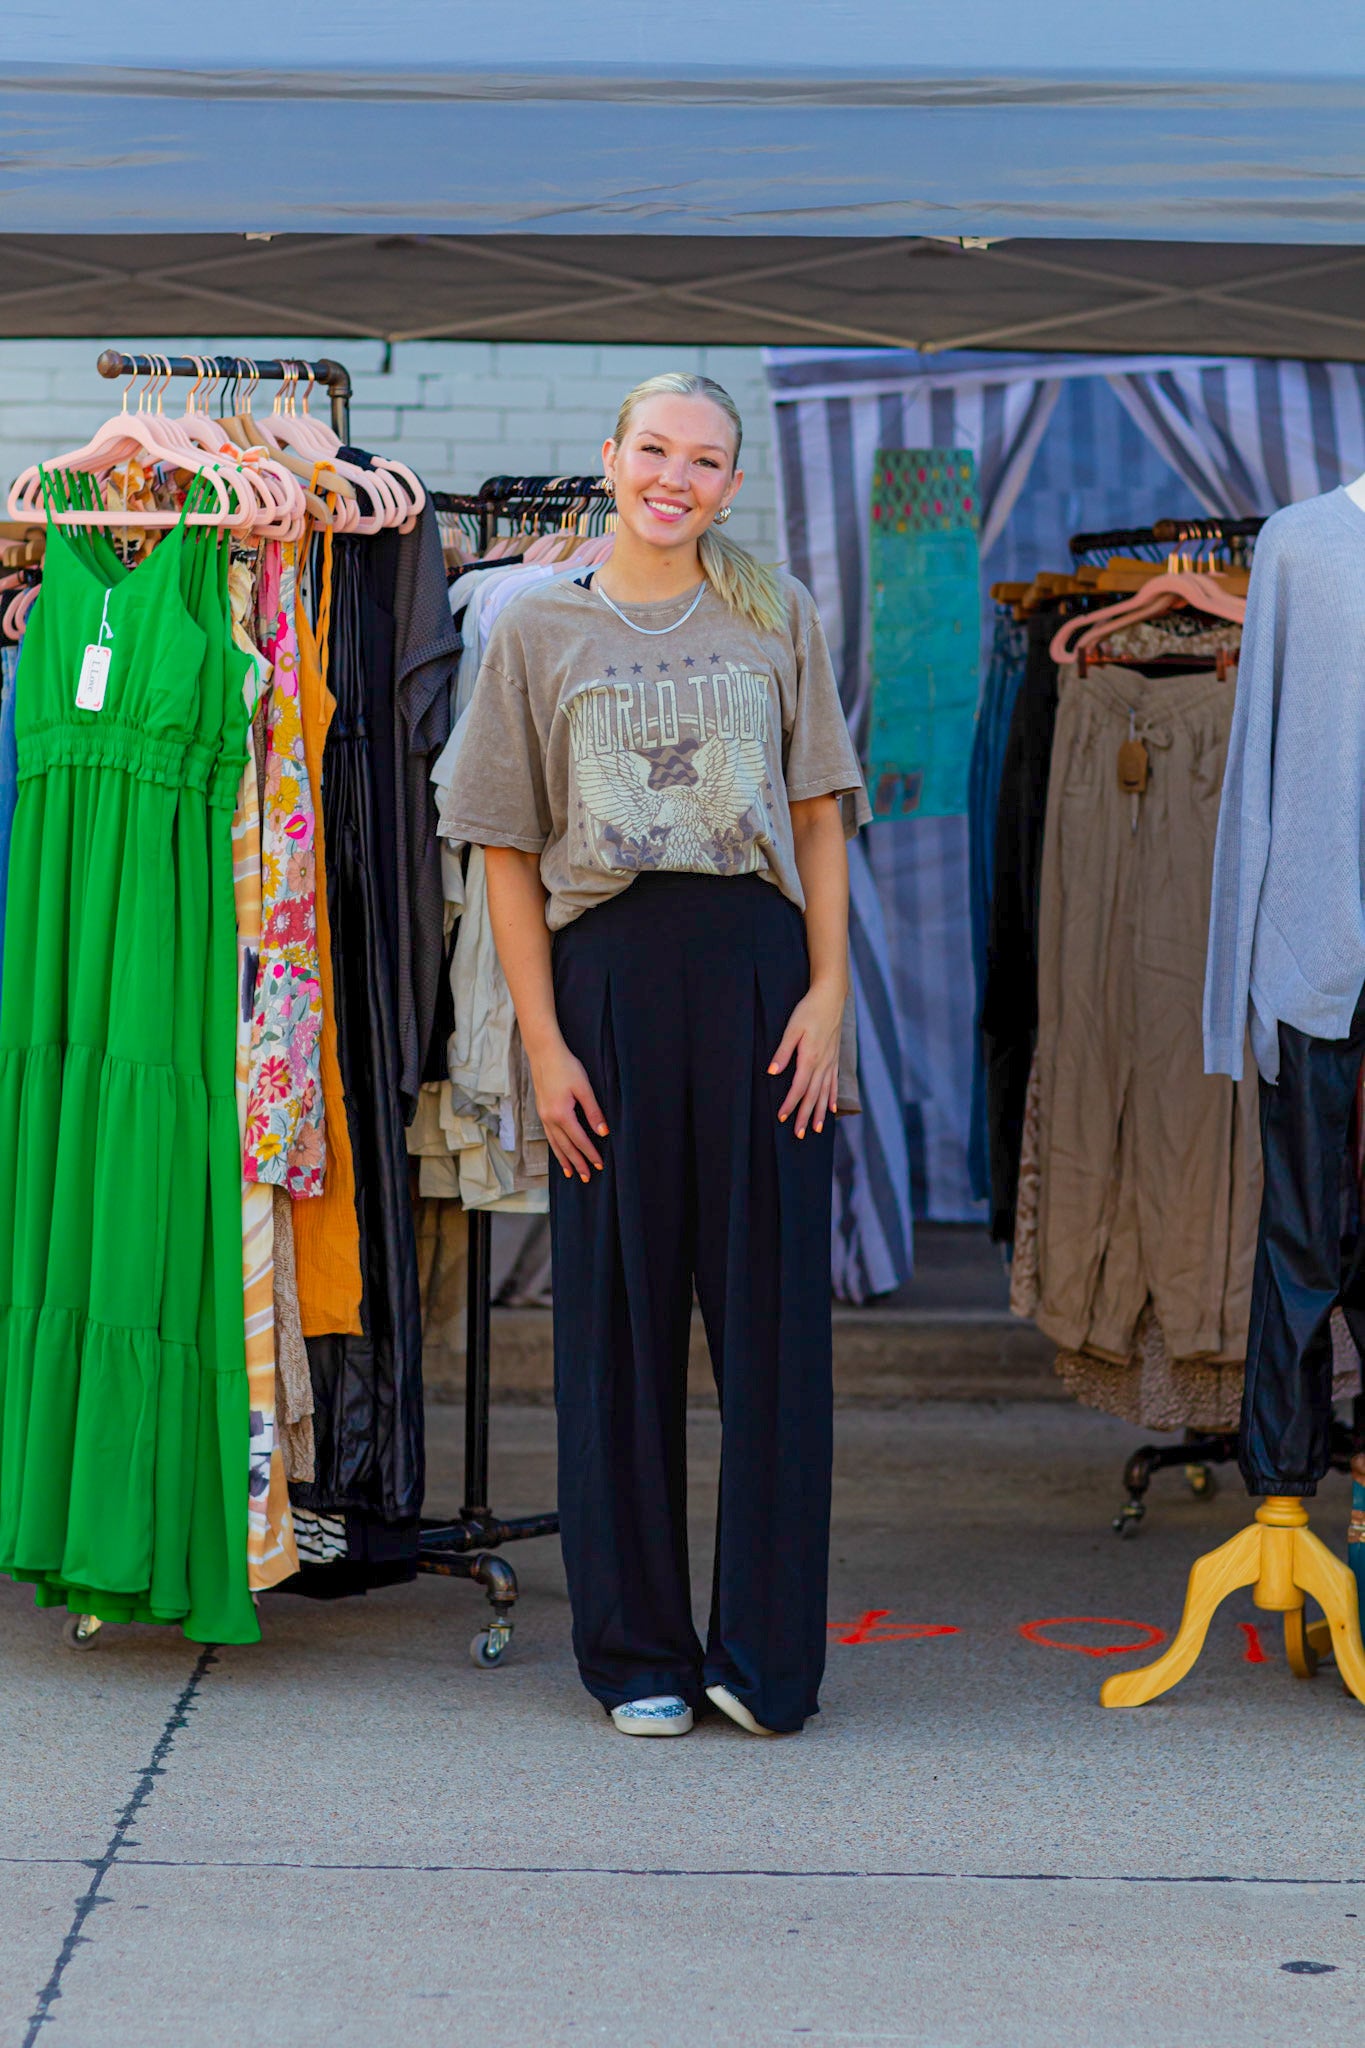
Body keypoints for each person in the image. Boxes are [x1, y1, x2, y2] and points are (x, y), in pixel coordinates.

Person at [443, 372, 870, 1736]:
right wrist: (544, 1045)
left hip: (759, 987)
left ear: (730, 485)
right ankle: (635, 1655)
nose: (673, 477)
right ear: (610, 458)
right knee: (614, 1330)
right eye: (652, 450)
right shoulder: (535, 626)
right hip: (607, 988)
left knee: (772, 1335)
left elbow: (817, 820)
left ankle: (762, 1660)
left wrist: (825, 999)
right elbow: (504, 854)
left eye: (702, 460)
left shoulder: (772, 615)